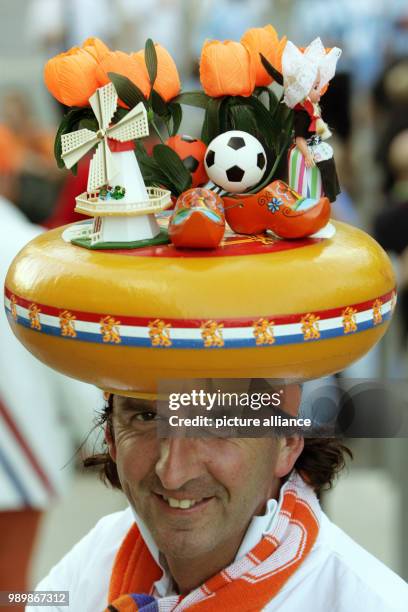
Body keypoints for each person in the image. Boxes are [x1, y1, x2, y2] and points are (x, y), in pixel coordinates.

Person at [25, 391, 406, 612]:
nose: (172, 472)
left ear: (286, 443)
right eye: (146, 416)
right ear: (110, 437)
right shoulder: (101, 554)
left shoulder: (368, 602)